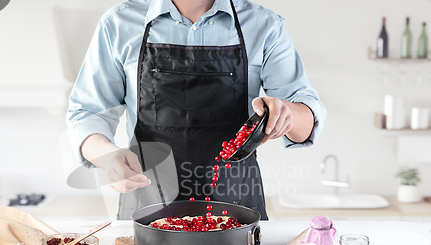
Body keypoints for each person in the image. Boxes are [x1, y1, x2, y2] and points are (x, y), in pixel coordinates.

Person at [67, 0, 327, 220]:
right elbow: (87, 113)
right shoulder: (119, 23)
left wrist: (288, 114)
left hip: (236, 215)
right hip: (148, 211)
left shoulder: (264, 26)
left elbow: (305, 118)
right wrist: (106, 154)